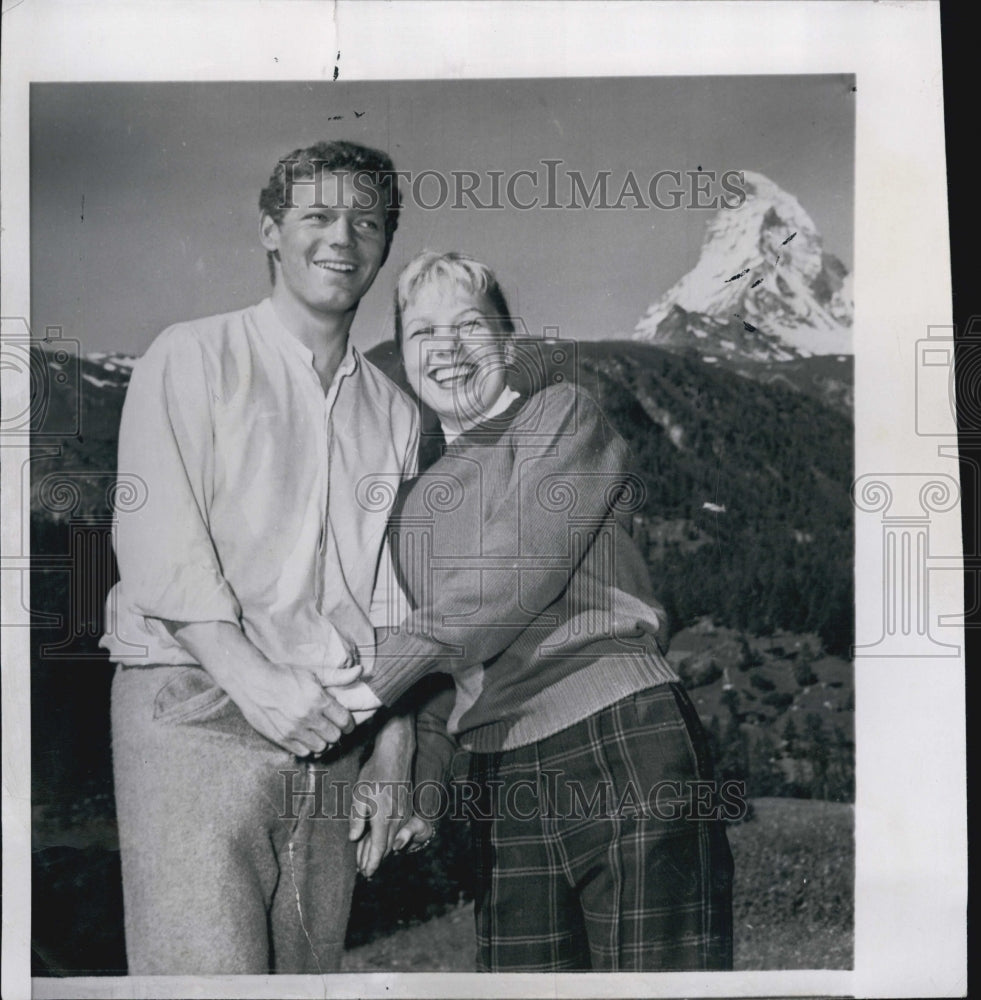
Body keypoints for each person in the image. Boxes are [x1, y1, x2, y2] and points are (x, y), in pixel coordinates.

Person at [339, 250, 735, 972]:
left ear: (508, 341)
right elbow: (436, 670)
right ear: (403, 356)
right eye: (424, 333)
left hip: (622, 737)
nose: (449, 349)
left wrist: (366, 686)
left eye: (469, 325)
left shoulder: (559, 415)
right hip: (499, 779)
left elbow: (513, 572)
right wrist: (419, 793)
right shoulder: (409, 508)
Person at [102, 140, 419, 974]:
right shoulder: (193, 355)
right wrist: (253, 679)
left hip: (332, 728)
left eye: (366, 221)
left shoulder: (393, 411)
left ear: (386, 243)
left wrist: (394, 754)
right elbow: (157, 539)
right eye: (316, 215)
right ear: (270, 231)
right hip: (194, 706)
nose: (341, 239)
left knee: (302, 983)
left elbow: (389, 594)